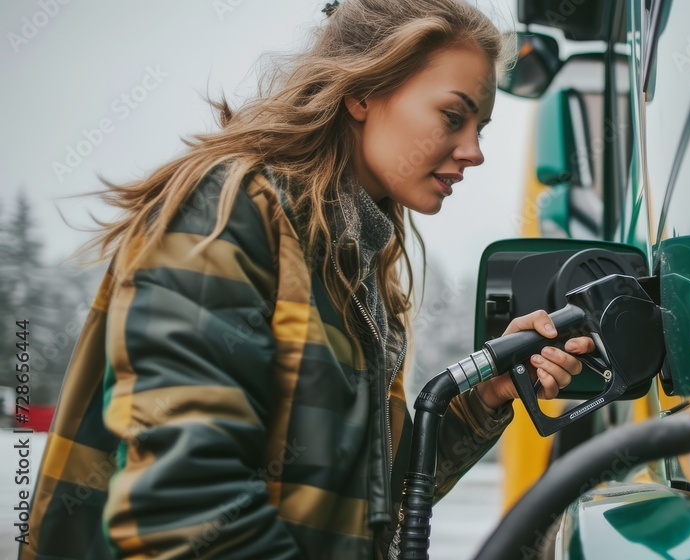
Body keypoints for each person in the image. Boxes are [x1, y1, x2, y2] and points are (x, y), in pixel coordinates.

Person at [18, 1, 595, 558]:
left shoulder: (355, 268)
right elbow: (183, 505)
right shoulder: (225, 212)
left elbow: (372, 497)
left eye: (482, 127)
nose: (474, 152)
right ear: (362, 92)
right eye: (452, 115)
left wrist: (485, 398)